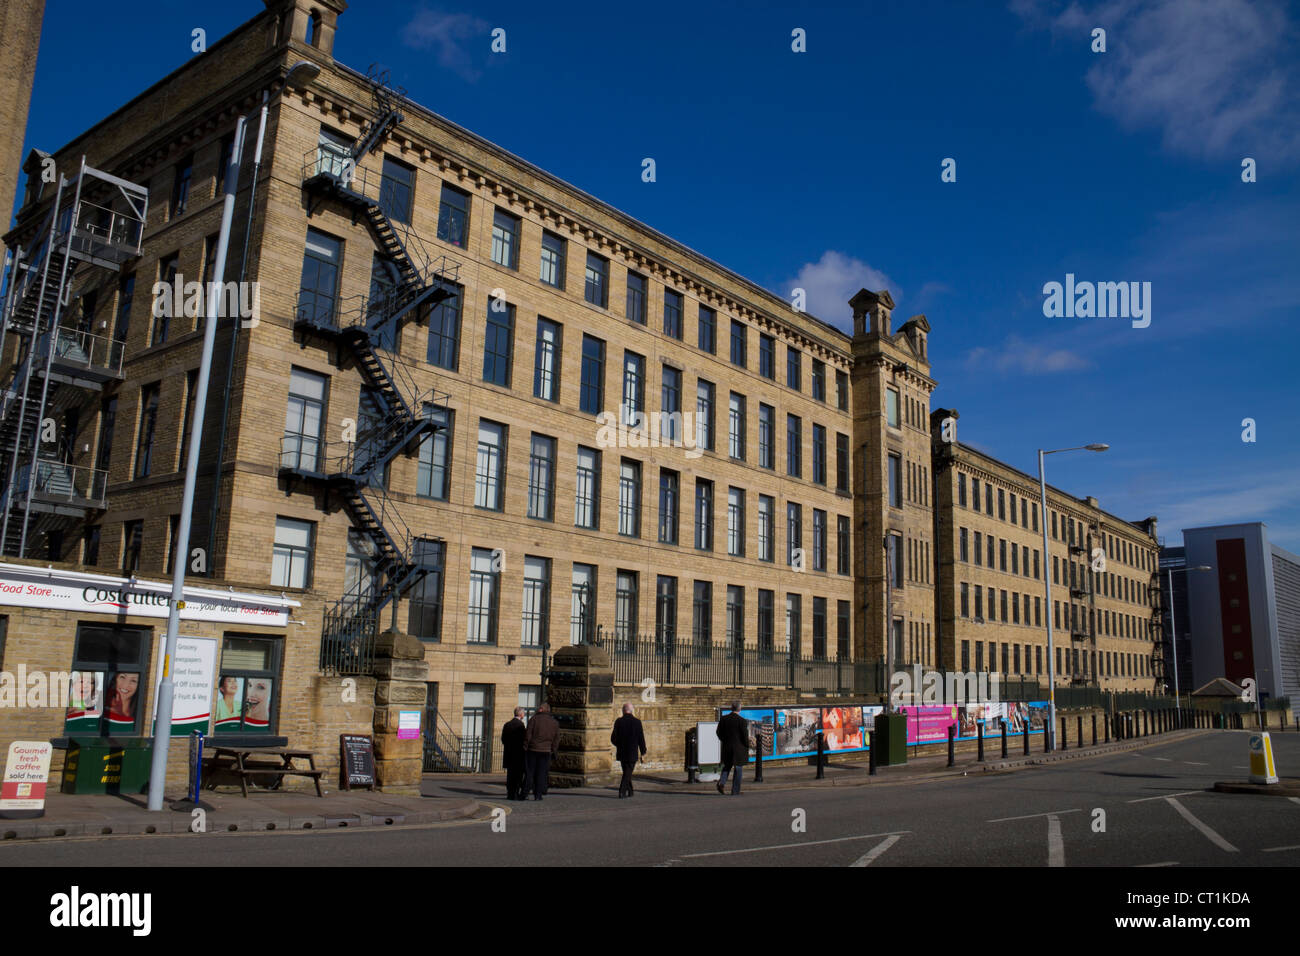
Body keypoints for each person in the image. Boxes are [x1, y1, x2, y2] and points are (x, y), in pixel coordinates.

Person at [521, 701, 560, 800]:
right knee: (541, 774)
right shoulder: (554, 722)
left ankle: (524, 793)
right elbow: (556, 739)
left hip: (533, 750)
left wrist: (525, 747)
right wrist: (554, 750)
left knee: (530, 773)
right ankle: (538, 795)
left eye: (539, 708)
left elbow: (528, 735)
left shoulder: (534, 719)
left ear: (541, 709)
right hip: (546, 751)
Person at [610, 702, 647, 798]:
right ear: (632, 711)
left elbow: (613, 738)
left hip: (622, 752)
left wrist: (619, 745)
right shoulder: (637, 722)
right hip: (632, 752)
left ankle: (630, 791)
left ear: (623, 711)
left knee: (627, 772)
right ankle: (622, 791)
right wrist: (643, 751)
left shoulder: (618, 721)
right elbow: (641, 738)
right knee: (627, 772)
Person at [716, 701, 751, 795]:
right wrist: (747, 745)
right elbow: (744, 736)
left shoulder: (724, 719)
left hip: (727, 747)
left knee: (727, 766)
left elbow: (718, 732)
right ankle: (735, 790)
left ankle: (721, 783)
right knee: (738, 769)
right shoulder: (742, 721)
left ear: (731, 708)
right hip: (738, 749)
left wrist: (725, 740)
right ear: (739, 709)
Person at [501, 707, 527, 800]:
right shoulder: (521, 725)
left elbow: (503, 739)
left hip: (509, 754)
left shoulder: (507, 724)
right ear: (521, 714)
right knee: (518, 775)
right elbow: (524, 740)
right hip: (518, 754)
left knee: (510, 775)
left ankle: (509, 793)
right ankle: (515, 793)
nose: (524, 715)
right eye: (523, 713)